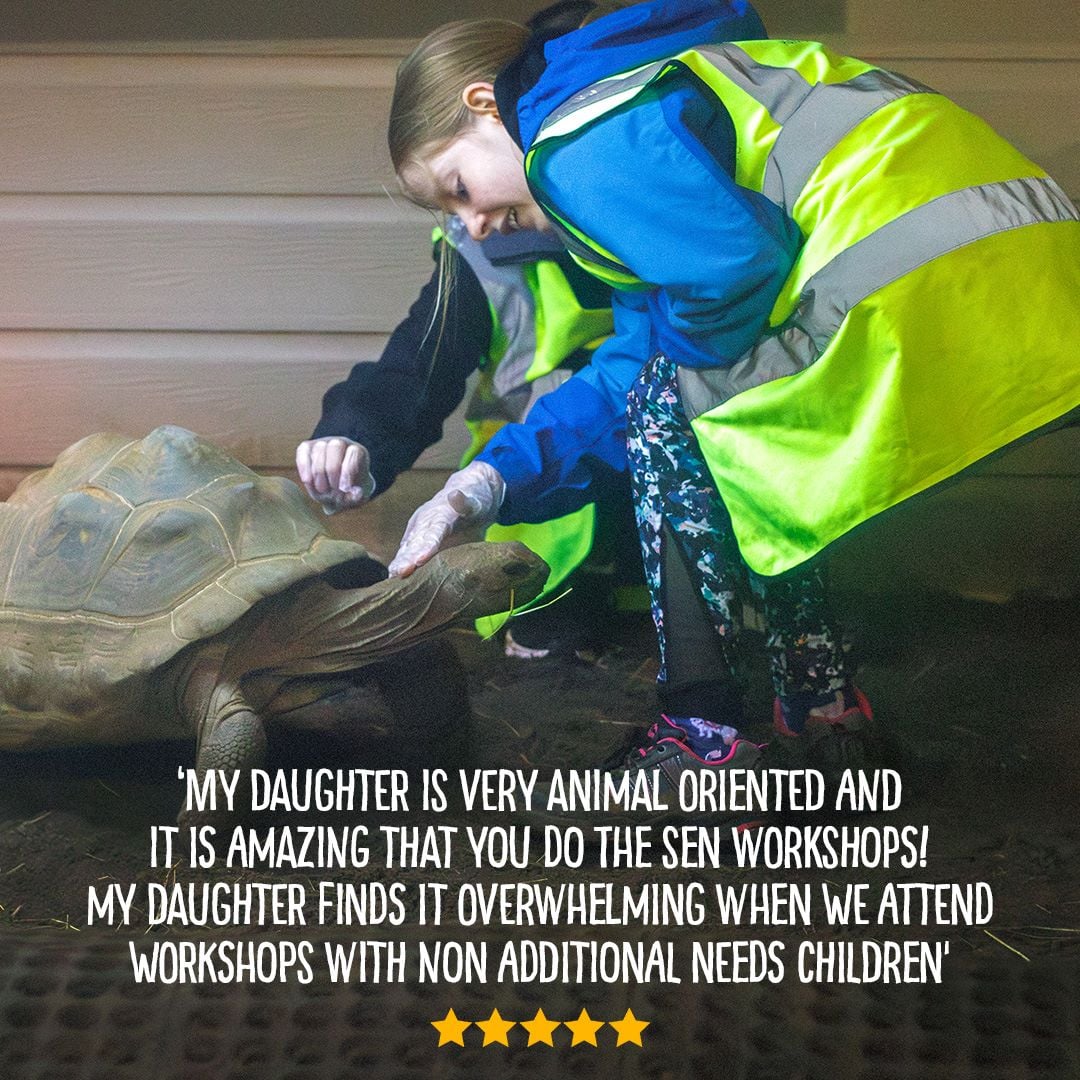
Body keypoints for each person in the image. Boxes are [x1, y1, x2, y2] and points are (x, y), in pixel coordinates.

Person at [382, 0, 1080, 796]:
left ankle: (700, 733)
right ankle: (823, 714)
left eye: (458, 187)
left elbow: (731, 273)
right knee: (713, 410)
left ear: (484, 103)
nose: (472, 227)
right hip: (1021, 268)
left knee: (674, 412)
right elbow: (643, 346)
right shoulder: (651, 94)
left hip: (918, 278)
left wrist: (671, 396)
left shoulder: (572, 139)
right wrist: (490, 480)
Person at [296, 213, 644, 658]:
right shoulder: (477, 257)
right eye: (445, 204)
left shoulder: (645, 221)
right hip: (537, 523)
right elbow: (417, 366)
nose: (473, 222)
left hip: (669, 514)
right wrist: (354, 436)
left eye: (460, 187)